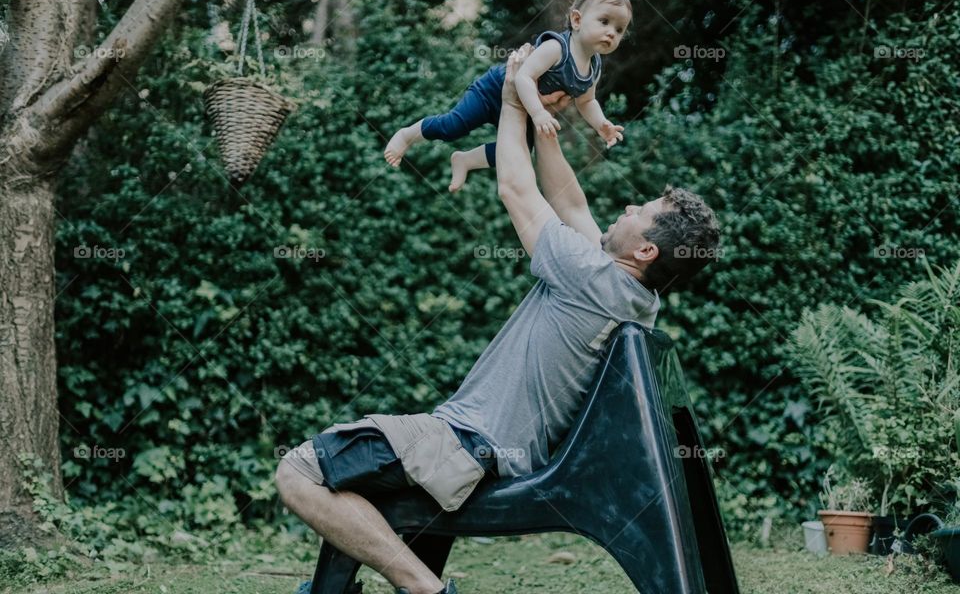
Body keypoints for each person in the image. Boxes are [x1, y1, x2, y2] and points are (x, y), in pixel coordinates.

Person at [275, 44, 720, 594]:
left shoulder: (590, 276)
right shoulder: (630, 294)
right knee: (351, 476)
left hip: (465, 443)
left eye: (641, 212)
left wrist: (513, 98)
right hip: (491, 449)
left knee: (297, 472)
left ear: (647, 250)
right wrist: (544, 125)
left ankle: (425, 589)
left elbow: (517, 189)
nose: (628, 208)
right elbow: (569, 202)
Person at [383, 0, 631, 193]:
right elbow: (523, 77)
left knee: (517, 154)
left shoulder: (594, 67)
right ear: (577, 20)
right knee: (453, 126)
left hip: (522, 109)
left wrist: (601, 125)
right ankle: (407, 135)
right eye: (604, 21)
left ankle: (466, 160)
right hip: (494, 90)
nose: (612, 33)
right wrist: (538, 113)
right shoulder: (556, 48)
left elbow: (587, 101)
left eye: (619, 29)